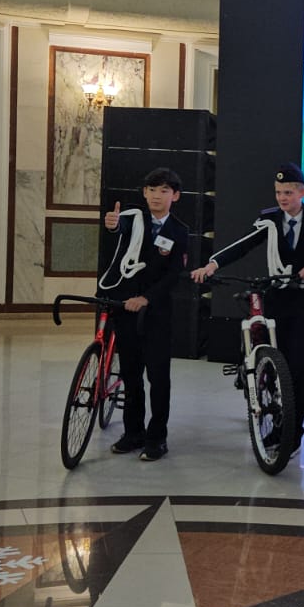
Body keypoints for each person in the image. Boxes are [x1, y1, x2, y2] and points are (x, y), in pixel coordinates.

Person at [192, 162, 304, 452]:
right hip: (278, 297)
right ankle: (276, 424)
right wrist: (213, 264)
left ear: (302, 192)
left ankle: (294, 434)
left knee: (300, 369)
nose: (282, 198)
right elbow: (244, 244)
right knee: (275, 365)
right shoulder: (269, 219)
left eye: (288, 192)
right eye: (278, 192)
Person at [99, 167, 190, 462]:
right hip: (125, 308)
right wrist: (112, 225)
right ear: (144, 193)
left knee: (158, 377)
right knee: (130, 374)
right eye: (151, 190)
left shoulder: (179, 231)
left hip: (157, 313)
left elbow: (174, 275)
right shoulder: (132, 218)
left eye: (164, 190)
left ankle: (157, 437)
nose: (156, 196)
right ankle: (133, 433)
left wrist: (147, 298)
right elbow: (117, 228)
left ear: (175, 196)